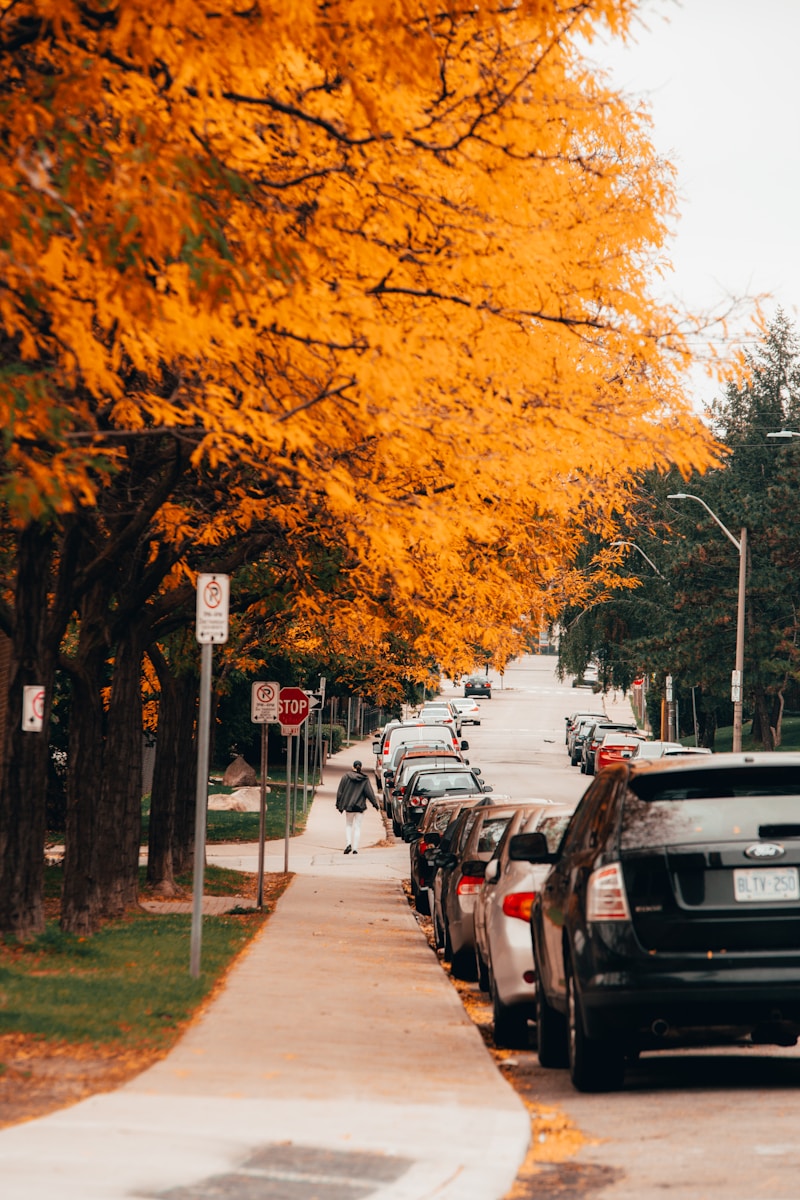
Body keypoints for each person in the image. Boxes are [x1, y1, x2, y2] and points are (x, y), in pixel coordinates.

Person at [335, 760, 379, 854]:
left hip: (349, 806)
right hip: (360, 807)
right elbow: (370, 793)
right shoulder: (364, 779)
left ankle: (348, 844)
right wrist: (375, 804)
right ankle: (355, 848)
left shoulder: (346, 777)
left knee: (348, 825)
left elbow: (340, 792)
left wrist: (338, 804)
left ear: (353, 767)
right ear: (360, 767)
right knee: (358, 827)